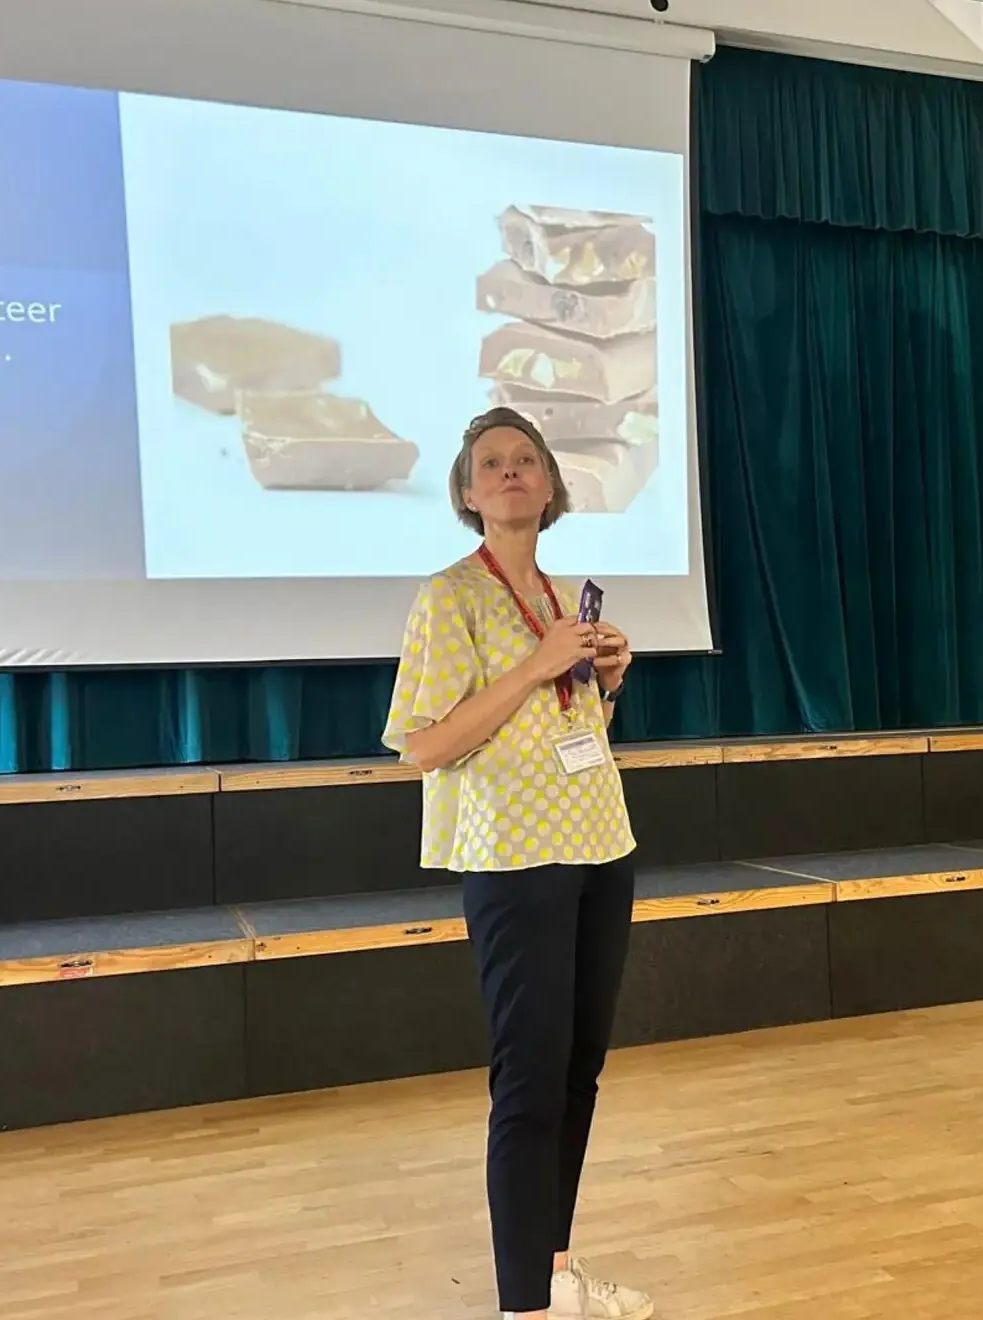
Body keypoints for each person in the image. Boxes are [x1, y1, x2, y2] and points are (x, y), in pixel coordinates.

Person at [382, 406, 652, 1320]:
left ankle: (555, 1275)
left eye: (526, 460)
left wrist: (603, 680)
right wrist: (537, 666)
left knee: (579, 1070)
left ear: (550, 486)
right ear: (467, 492)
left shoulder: (559, 592)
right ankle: (521, 1308)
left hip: (598, 842)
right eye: (491, 463)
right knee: (530, 1079)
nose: (510, 473)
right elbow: (422, 745)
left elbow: (571, 732)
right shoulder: (450, 595)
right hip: (515, 859)